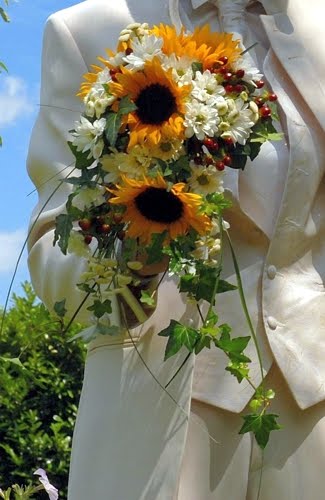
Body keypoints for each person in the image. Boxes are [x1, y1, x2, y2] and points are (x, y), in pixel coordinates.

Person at [27, 0, 325, 498]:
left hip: (311, 408)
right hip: (156, 415)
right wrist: (137, 245)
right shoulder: (86, 32)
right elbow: (53, 265)